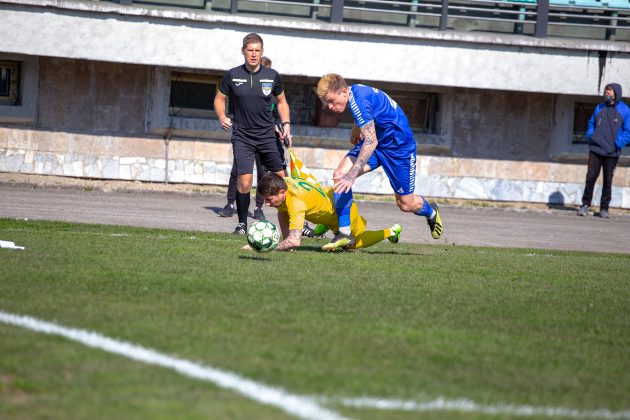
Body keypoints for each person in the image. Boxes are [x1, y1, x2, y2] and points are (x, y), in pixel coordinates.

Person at [315, 74, 443, 251]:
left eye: (331, 101)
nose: (329, 107)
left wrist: (352, 176)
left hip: (399, 148)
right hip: (378, 142)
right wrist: (355, 130)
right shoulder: (354, 93)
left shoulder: (358, 99)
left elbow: (370, 141)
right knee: (339, 175)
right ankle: (344, 234)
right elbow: (364, 116)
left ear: (344, 91)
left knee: (406, 204)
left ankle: (431, 211)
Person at [214, 34, 291, 235]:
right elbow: (219, 99)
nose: (254, 54)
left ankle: (296, 226)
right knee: (244, 182)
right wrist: (222, 116)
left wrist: (286, 124)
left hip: (267, 136)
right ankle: (241, 225)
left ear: (262, 52)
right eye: (250, 50)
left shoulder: (272, 75)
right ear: (243, 51)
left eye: (257, 50)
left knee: (284, 181)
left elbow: (282, 102)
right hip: (243, 136)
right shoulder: (232, 75)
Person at [253, 173, 402, 252]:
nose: (266, 204)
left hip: (343, 211)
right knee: (286, 209)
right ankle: (322, 227)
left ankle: (391, 231)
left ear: (282, 192)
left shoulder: (296, 203)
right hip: (328, 200)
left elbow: (295, 241)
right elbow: (282, 212)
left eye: (269, 199)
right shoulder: (283, 183)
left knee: (351, 244)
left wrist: (269, 246)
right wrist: (286, 243)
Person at [218, 56, 274, 221]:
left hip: (264, 136)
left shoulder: (270, 89)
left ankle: (258, 207)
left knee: (263, 173)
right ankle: (230, 205)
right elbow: (230, 102)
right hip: (244, 135)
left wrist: (278, 125)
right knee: (238, 172)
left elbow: (277, 110)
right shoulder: (240, 84)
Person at [577, 82, 630, 219]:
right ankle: (585, 205)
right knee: (590, 178)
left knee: (608, 181)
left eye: (609, 92)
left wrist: (618, 143)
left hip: (612, 153)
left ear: (616, 94)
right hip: (595, 149)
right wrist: (591, 136)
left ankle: (604, 208)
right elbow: (591, 123)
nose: (607, 94)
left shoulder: (625, 110)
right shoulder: (599, 107)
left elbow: (628, 131)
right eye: (606, 91)